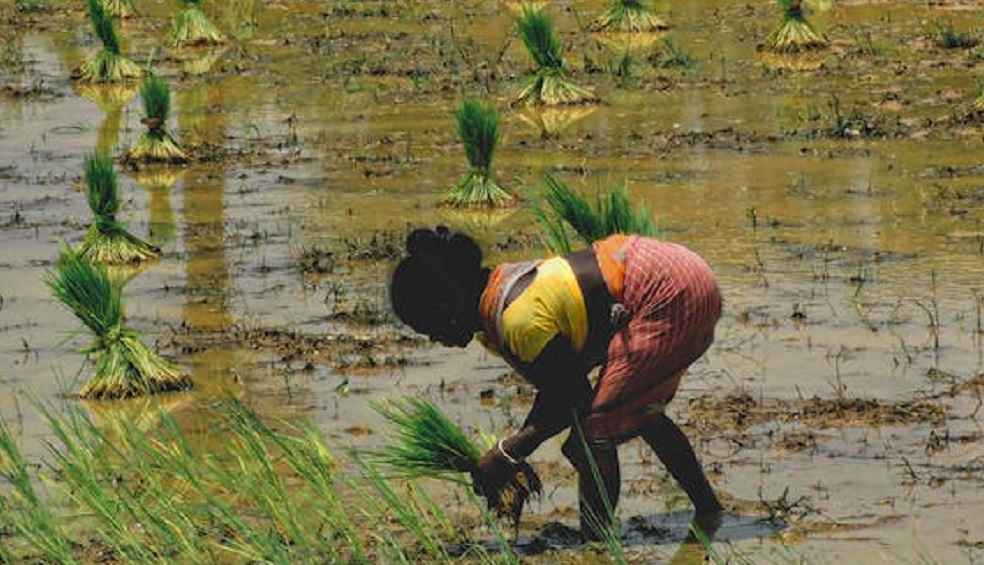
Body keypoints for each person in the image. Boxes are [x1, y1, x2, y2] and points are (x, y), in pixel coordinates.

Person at [390, 226, 724, 541]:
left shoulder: (518, 319)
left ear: (447, 305)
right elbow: (559, 390)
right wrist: (513, 454)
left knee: (593, 437)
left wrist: (508, 453)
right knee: (635, 408)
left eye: (429, 326)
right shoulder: (501, 293)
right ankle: (708, 511)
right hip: (666, 268)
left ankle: (595, 543)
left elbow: (572, 398)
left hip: (667, 289)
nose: (435, 337)